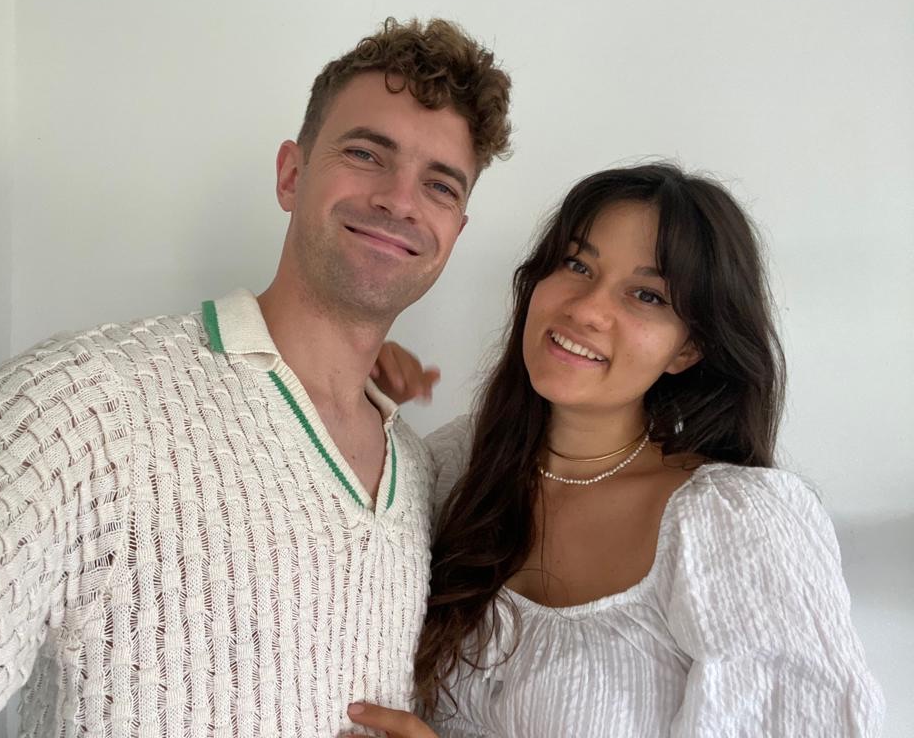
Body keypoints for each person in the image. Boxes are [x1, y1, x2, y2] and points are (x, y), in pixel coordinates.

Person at [0, 18, 512, 738]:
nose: (399, 200)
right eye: (366, 153)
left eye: (439, 185)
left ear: (455, 231)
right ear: (291, 174)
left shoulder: (417, 472)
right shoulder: (81, 406)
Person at [350, 164, 885, 737]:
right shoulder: (459, 465)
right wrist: (352, 392)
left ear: (689, 348)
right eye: (576, 265)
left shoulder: (737, 524)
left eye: (647, 295)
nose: (585, 308)